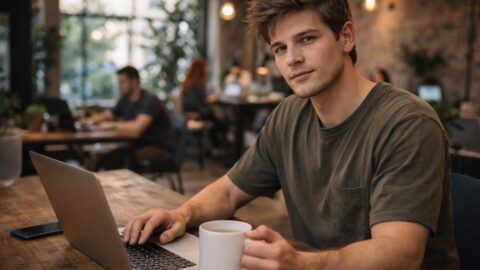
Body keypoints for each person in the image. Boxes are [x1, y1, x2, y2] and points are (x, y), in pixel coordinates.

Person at [123, 1, 459, 269]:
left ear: (346, 37)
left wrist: (301, 263)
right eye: (280, 48)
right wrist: (182, 214)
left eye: (307, 39)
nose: (292, 59)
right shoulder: (288, 116)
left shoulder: (407, 123)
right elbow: (228, 193)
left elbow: (401, 255)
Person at [82, 66, 175, 171]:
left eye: (122, 82)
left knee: (126, 159)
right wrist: (89, 121)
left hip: (159, 148)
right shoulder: (125, 100)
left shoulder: (149, 100)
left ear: (134, 81)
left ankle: (124, 186)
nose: (119, 86)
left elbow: (137, 127)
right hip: (138, 145)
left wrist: (111, 125)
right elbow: (110, 114)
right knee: (100, 158)